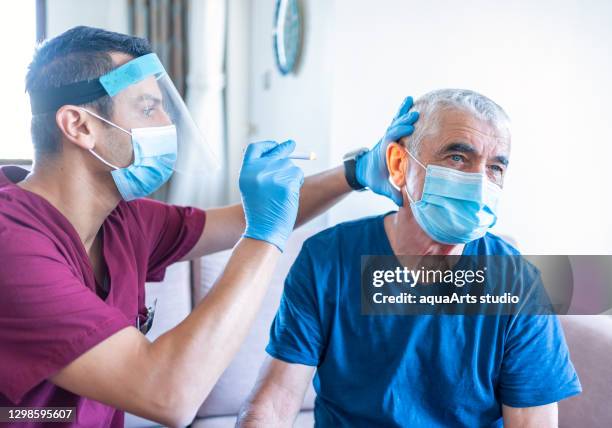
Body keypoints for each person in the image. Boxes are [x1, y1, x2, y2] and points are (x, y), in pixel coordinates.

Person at [0, 26, 419, 427]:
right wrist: (263, 238)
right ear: (80, 126)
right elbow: (169, 395)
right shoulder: (11, 247)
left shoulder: (123, 221)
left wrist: (356, 173)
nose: (167, 123)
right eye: (148, 108)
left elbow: (241, 220)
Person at [238, 89, 582, 427]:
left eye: (495, 168)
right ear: (399, 164)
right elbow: (271, 405)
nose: (479, 182)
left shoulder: (518, 283)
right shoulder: (329, 258)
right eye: (458, 158)